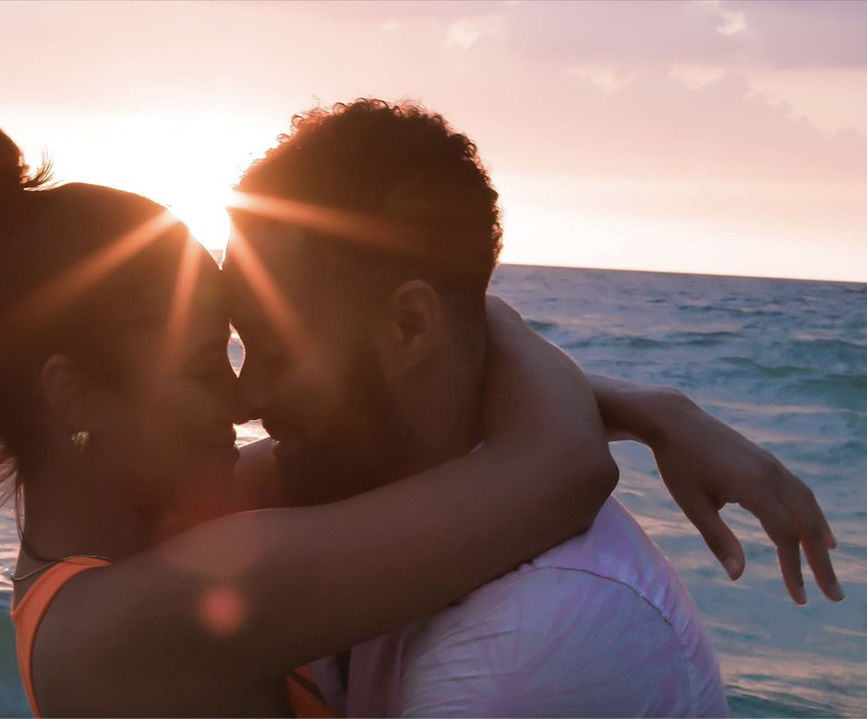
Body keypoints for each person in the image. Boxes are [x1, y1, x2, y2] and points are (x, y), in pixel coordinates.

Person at [0, 110, 838, 717]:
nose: (245, 404)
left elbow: (456, 425)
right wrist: (652, 404)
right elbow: (557, 471)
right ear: (75, 393)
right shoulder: (141, 613)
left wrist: (627, 403)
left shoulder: (127, 557)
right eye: (210, 364)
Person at [226, 98, 844, 716]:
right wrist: (646, 406)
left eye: (276, 352)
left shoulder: (525, 647)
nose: (243, 400)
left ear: (411, 326)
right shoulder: (357, 499)